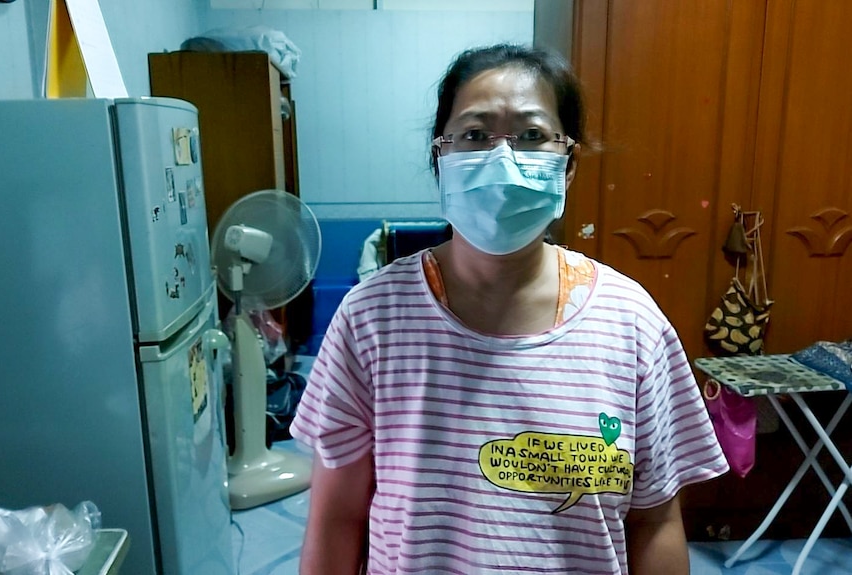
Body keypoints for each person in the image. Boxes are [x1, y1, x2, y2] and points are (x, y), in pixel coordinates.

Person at [290, 43, 729, 574]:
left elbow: (654, 522)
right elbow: (337, 519)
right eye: (475, 135)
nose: (504, 158)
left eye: (531, 135)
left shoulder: (632, 323)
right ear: (441, 156)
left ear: (569, 163)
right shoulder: (371, 320)